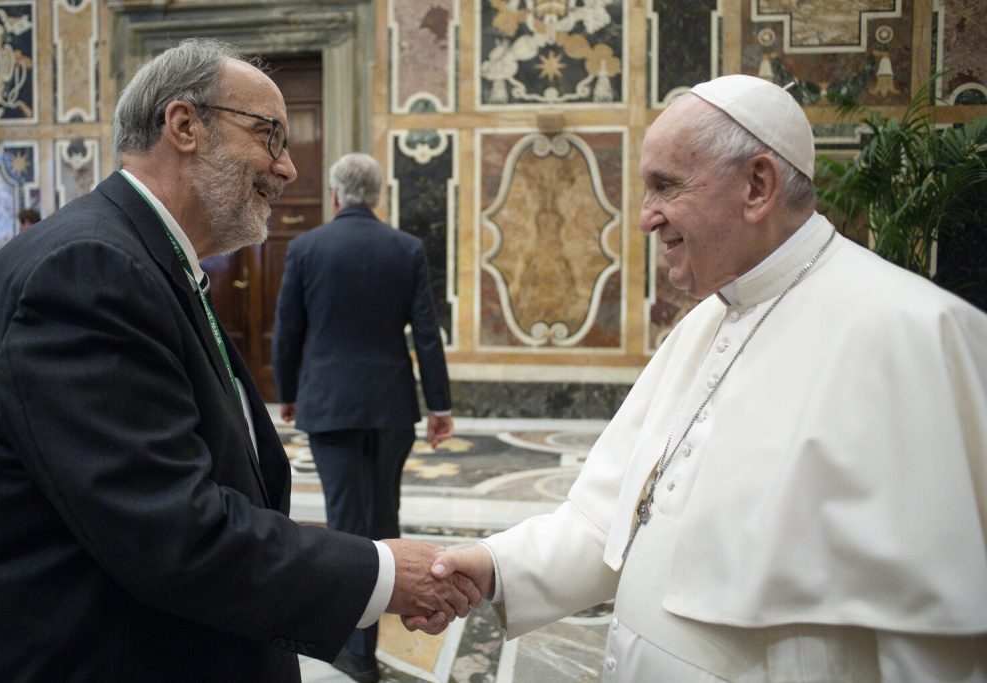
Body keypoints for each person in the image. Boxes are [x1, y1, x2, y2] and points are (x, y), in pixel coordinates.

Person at [414, 74, 987, 681]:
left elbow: (933, 644)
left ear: (758, 186)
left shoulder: (916, 334)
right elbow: (610, 519)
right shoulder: (706, 323)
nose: (644, 219)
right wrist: (494, 565)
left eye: (665, 186)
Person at [0, 39, 479, 683]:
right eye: (270, 135)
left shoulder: (142, 259)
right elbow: (169, 532)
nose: (288, 168)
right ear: (183, 125)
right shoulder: (88, 269)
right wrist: (378, 573)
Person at [272, 152, 454, 682]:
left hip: (328, 403)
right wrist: (439, 405)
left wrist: (288, 393)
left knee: (348, 523)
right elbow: (426, 332)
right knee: (383, 515)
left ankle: (358, 649)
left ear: (334, 195)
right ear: (376, 196)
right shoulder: (406, 248)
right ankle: (382, 627)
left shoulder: (306, 247)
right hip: (392, 406)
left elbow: (288, 331)